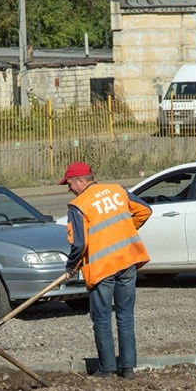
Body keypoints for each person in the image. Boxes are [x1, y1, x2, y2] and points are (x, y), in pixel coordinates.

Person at [62, 161, 151, 379]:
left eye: (70, 183)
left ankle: (107, 369)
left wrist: (71, 267)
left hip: (102, 268)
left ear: (81, 181)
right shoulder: (117, 190)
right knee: (125, 316)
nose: (68, 188)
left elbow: (79, 243)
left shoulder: (79, 205)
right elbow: (145, 210)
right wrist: (125, 229)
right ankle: (128, 368)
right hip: (127, 261)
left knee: (101, 319)